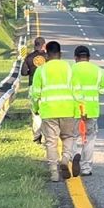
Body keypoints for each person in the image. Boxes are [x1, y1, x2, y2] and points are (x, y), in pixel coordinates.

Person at [30, 41, 78, 182]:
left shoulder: (41, 70)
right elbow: (77, 90)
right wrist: (79, 108)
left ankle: (54, 173)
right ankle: (65, 159)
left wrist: (36, 108)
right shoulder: (70, 68)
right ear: (60, 54)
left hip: (49, 111)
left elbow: (35, 93)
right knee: (68, 137)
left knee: (51, 142)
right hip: (68, 109)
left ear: (46, 54)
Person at [71, 45, 104, 177]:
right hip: (92, 110)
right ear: (89, 58)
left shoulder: (70, 70)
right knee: (90, 138)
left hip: (75, 109)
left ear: (75, 58)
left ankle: (75, 155)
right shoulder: (98, 71)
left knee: (75, 136)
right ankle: (86, 167)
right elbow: (102, 89)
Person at [21, 36, 47, 143]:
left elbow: (23, 72)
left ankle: (37, 136)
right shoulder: (48, 57)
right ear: (44, 45)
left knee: (35, 113)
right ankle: (47, 135)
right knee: (46, 111)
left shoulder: (29, 57)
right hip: (46, 87)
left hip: (33, 86)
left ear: (35, 45)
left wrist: (31, 72)